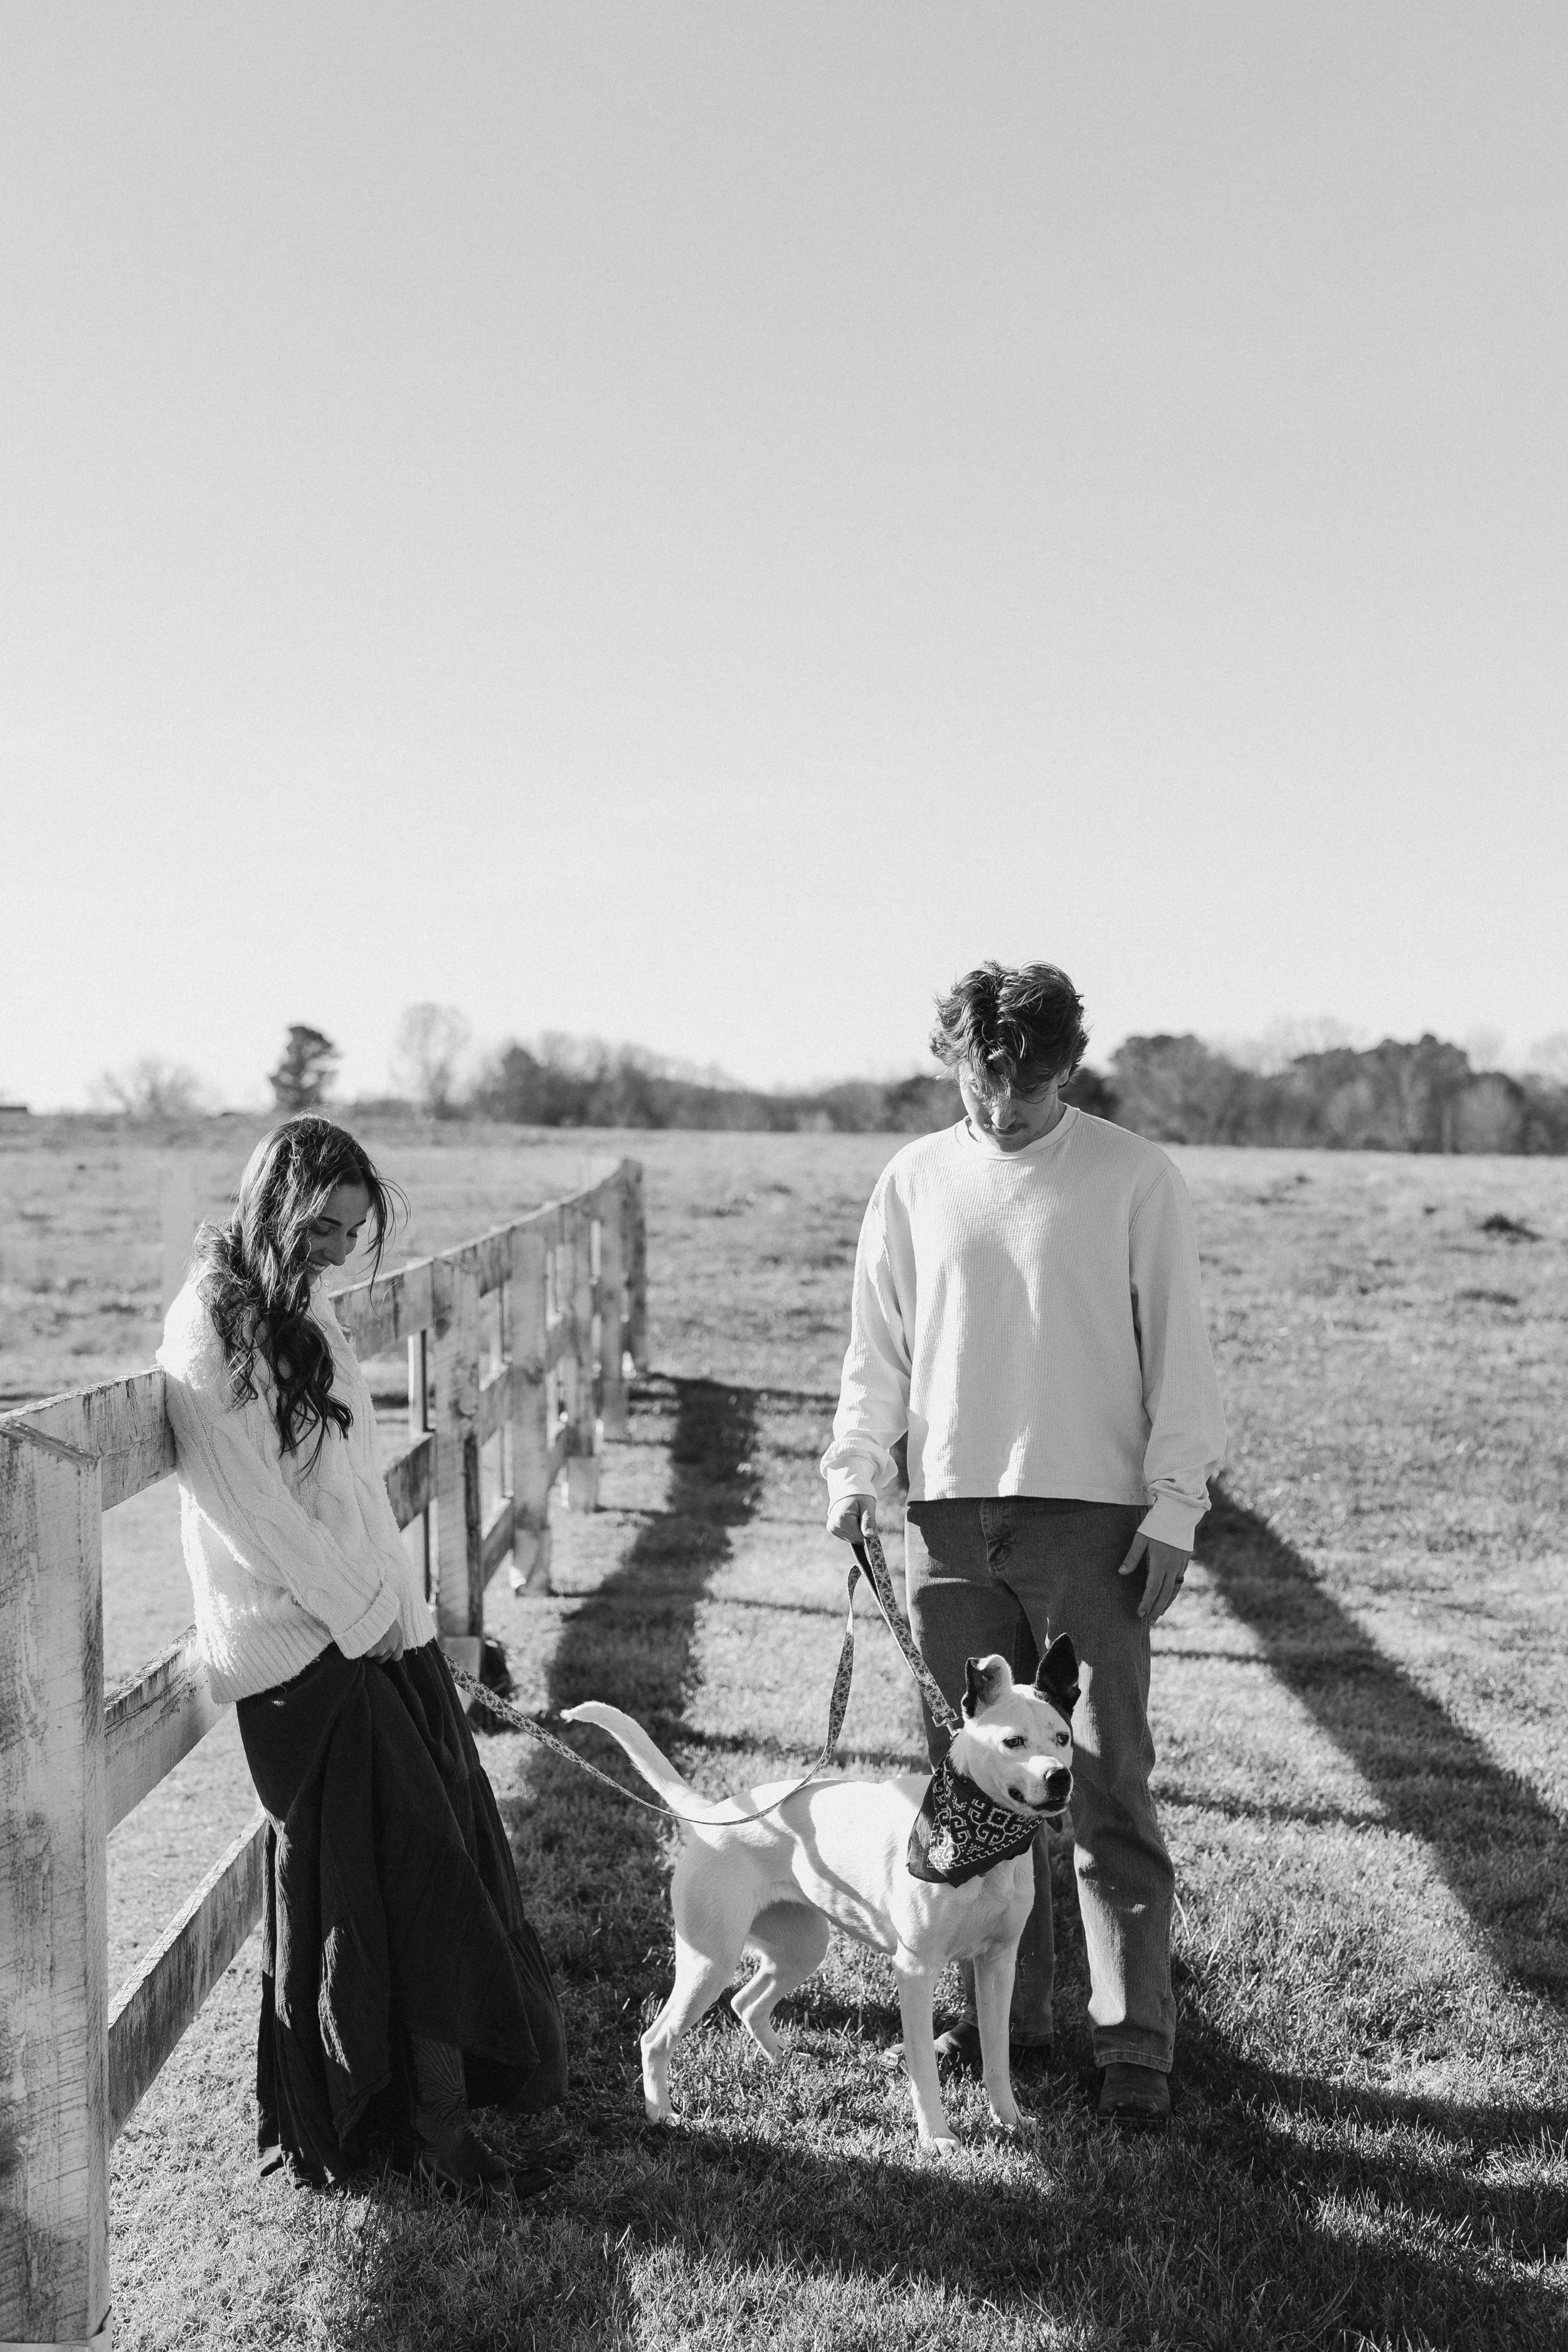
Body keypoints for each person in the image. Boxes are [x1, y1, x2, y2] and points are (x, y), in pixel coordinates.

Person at [821, 961, 1226, 2124]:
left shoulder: (1135, 1178)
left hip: (1094, 1521)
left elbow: (1182, 1356)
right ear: (954, 1058)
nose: (1002, 1105)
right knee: (976, 1791)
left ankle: (1133, 2043)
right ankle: (1006, 2018)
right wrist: (856, 1468)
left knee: (1102, 1784)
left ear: (1068, 1064)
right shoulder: (912, 1179)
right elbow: (876, 1350)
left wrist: (1175, 1504)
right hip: (946, 1521)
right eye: (983, 1078)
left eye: (1029, 1082)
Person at [157, 1115, 566, 2189]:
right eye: (327, 1226)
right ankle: (420, 2137)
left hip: (377, 1635)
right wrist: (361, 1615)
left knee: (437, 1870)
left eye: (352, 1230)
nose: (340, 1247)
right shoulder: (207, 1327)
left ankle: (424, 2124)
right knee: (393, 1874)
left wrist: (407, 1621)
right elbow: (254, 1513)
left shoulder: (308, 1315)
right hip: (299, 1658)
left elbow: (352, 1500)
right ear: (277, 1207)